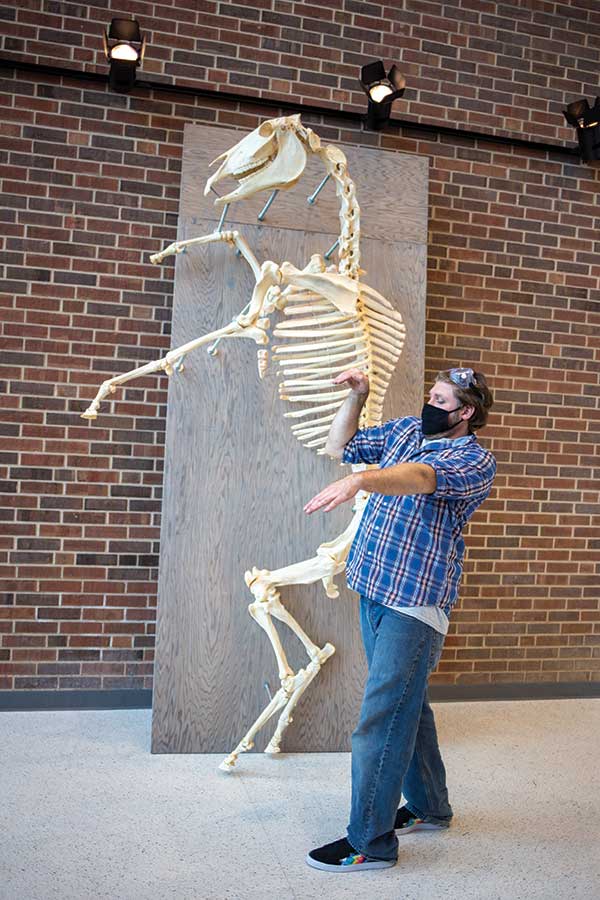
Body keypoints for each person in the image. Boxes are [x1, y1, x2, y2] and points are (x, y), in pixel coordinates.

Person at [303, 366, 496, 872]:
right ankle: (431, 806)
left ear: (466, 411)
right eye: (430, 394)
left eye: (441, 398)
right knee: (409, 703)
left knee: (382, 718)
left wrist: (362, 481)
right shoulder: (409, 430)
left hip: (415, 601)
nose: (430, 403)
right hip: (373, 586)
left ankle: (371, 841)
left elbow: (420, 478)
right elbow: (340, 446)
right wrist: (357, 398)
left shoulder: (473, 459)